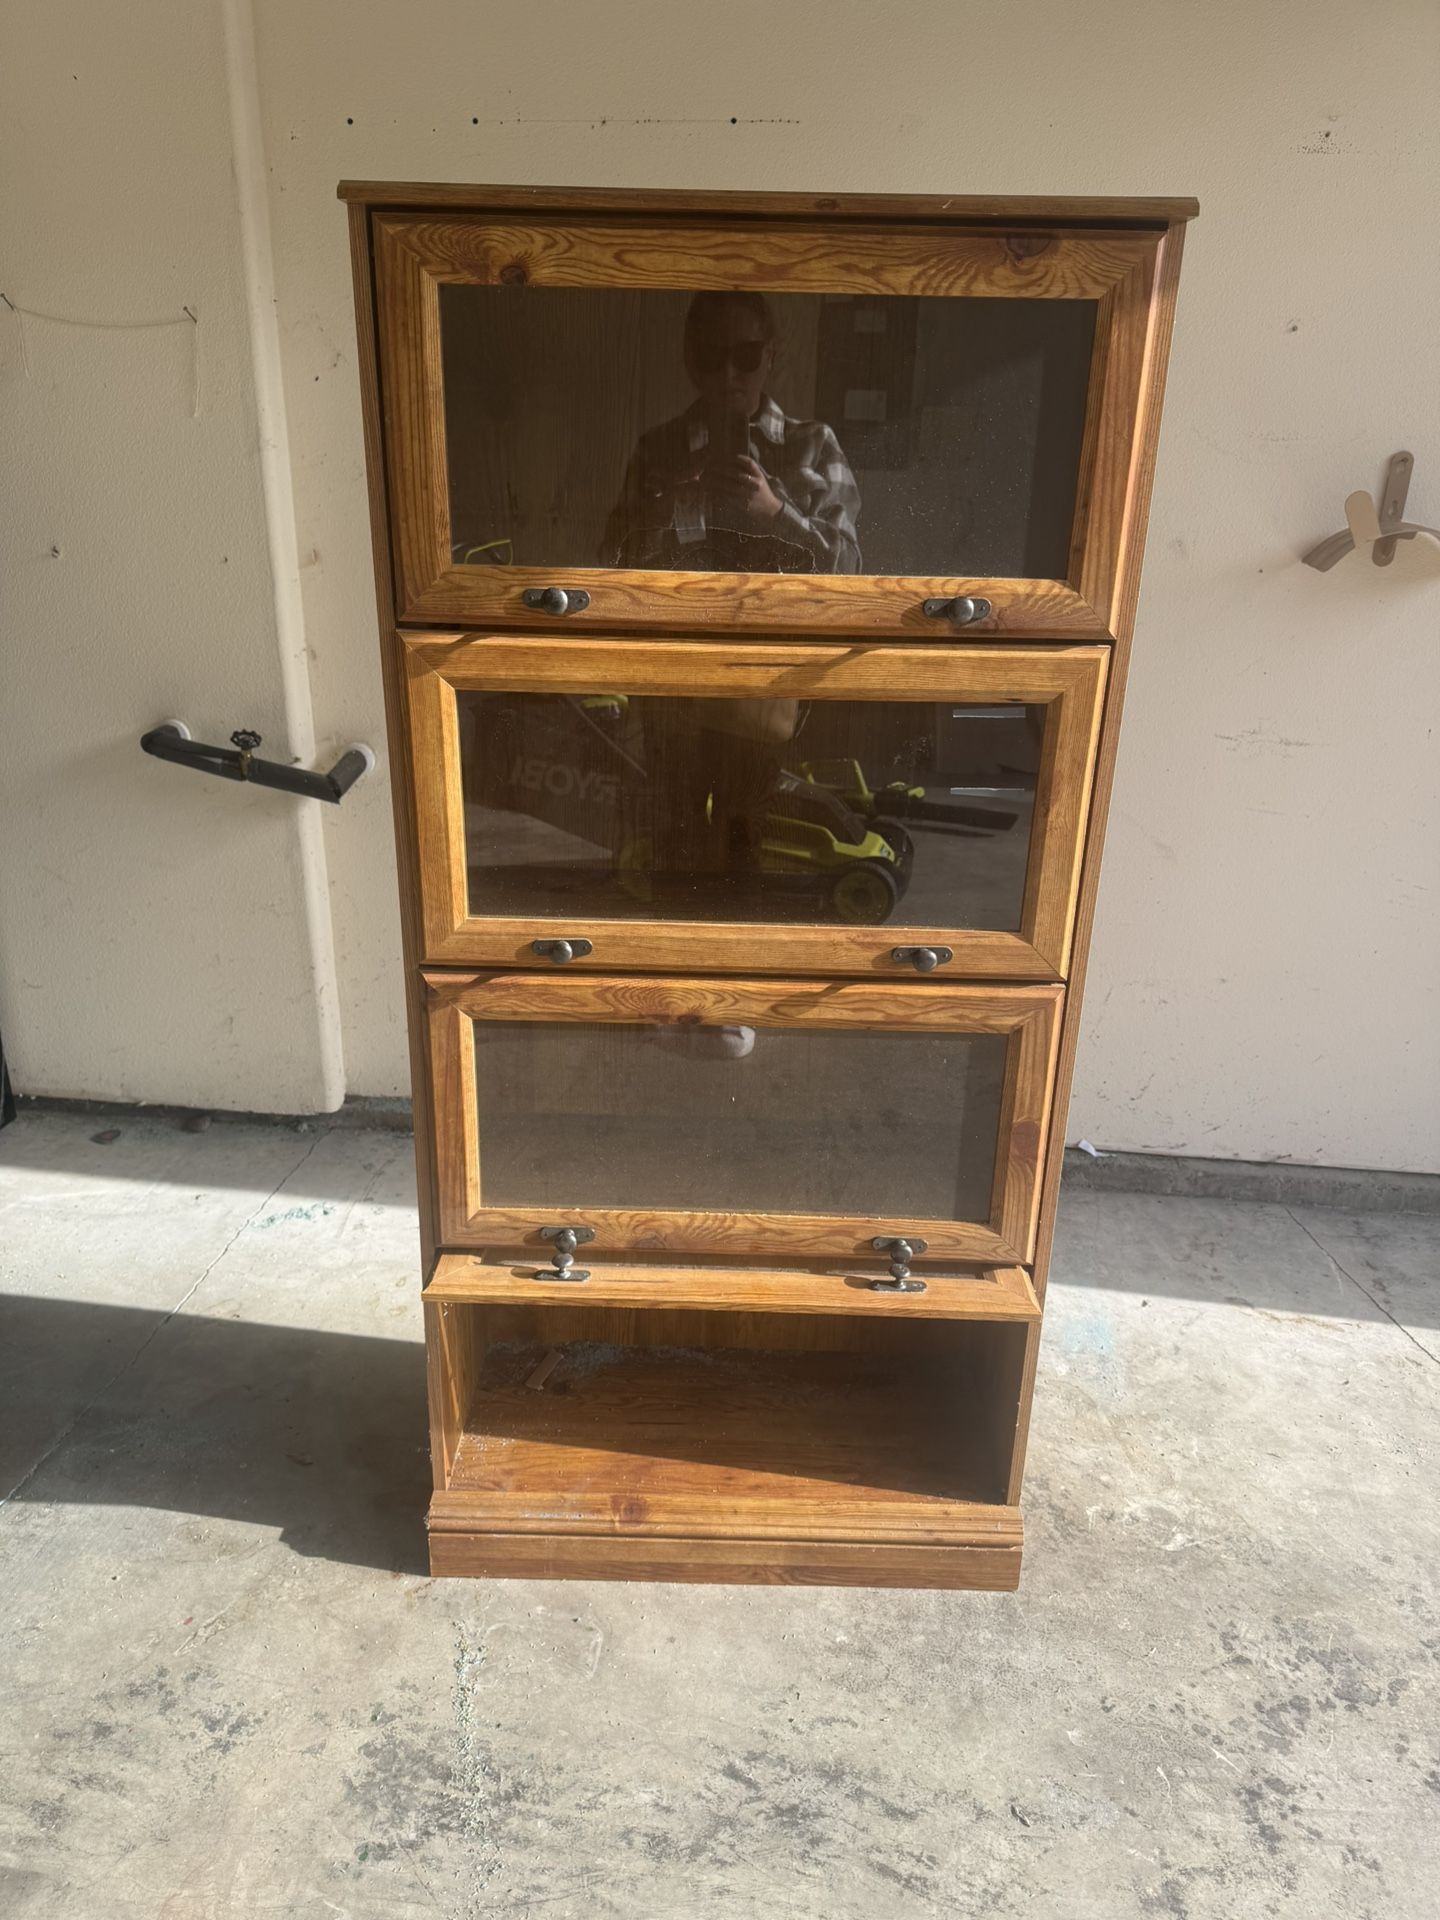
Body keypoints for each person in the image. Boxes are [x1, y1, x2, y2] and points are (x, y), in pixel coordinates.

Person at [601, 291, 861, 574]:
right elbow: (609, 562)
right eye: (711, 357)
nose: (728, 373)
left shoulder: (817, 443)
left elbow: (849, 570)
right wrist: (670, 505)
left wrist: (775, 512)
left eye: (746, 356)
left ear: (769, 355)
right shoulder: (657, 449)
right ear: (692, 361)